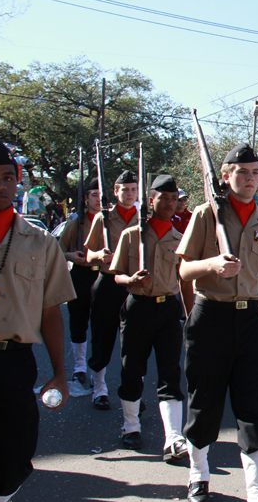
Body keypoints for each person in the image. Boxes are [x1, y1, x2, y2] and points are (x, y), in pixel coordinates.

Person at [176, 142, 258, 502]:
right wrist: (211, 264)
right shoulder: (206, 214)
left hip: (251, 321)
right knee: (204, 401)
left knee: (252, 406)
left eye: (256, 173)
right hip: (211, 315)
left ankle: (257, 498)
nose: (250, 179)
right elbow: (184, 270)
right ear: (225, 176)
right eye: (242, 173)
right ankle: (199, 475)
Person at [0, 137, 76, 502]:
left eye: (6, 178)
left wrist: (60, 372)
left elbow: (50, 311)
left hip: (15, 363)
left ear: (17, 182)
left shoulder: (40, 242)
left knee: (15, 459)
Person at [110, 175, 193, 458]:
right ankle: (130, 425)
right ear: (151, 201)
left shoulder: (180, 240)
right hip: (138, 307)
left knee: (170, 371)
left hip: (169, 309)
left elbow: (185, 283)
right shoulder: (132, 235)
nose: (170, 204)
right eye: (164, 199)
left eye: (174, 200)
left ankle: (173, 437)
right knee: (132, 367)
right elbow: (116, 274)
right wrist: (130, 279)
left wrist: (191, 315)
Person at [83, 171, 139, 410]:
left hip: (133, 285)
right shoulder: (103, 218)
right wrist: (99, 255)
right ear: (115, 192)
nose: (129, 194)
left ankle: (132, 393)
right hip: (108, 282)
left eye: (133, 189)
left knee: (135, 342)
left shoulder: (142, 218)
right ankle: (99, 387)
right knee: (103, 336)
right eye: (124, 189)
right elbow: (88, 254)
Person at [57, 177, 101, 384]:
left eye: (102, 195)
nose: (98, 199)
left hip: (102, 275)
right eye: (94, 195)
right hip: (81, 275)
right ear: (86, 198)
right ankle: (79, 366)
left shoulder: (109, 222)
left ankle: (98, 372)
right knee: (78, 322)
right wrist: (70, 256)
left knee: (102, 326)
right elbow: (60, 249)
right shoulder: (76, 223)